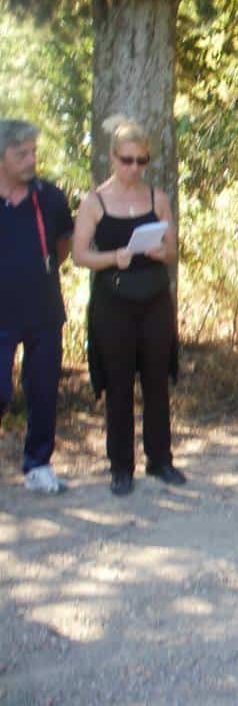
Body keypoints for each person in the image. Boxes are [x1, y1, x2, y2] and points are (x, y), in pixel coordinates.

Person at [73, 116, 182, 496]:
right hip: (114, 301)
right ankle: (121, 466)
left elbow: (172, 250)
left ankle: (160, 459)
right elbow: (79, 255)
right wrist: (112, 258)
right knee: (118, 384)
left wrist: (161, 252)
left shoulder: (157, 198)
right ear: (112, 157)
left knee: (156, 380)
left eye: (141, 161)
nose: (134, 168)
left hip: (154, 298)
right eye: (127, 160)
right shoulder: (95, 202)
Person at [0, 120, 73, 494]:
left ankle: (38, 465)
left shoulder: (50, 197)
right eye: (21, 154)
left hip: (43, 310)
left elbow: (62, 247)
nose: (31, 160)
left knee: (43, 391)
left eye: (33, 152)